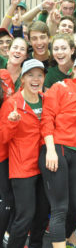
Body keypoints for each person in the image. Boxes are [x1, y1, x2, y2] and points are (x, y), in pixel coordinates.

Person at [39, 54, 76, 248]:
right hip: (56, 148)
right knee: (59, 209)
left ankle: (63, 240)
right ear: (74, 69)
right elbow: (47, 118)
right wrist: (50, 150)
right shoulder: (59, 87)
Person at [1, 59, 49, 248]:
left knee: (41, 216)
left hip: (45, 167)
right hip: (22, 169)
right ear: (23, 78)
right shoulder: (12, 104)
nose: (35, 79)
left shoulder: (47, 100)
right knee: (25, 216)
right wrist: (12, 122)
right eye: (30, 75)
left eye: (39, 75)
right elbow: (2, 138)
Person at [0, 70, 15, 246]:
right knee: (7, 198)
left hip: (7, 152)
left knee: (9, 198)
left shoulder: (4, 75)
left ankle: (9, 232)